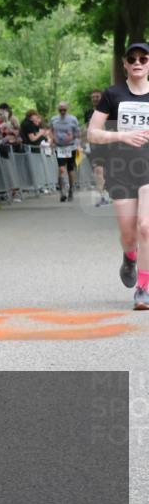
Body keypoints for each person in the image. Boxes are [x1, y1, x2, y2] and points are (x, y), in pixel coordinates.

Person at [87, 42, 149, 310]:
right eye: (132, 58)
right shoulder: (113, 95)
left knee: (146, 227)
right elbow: (93, 133)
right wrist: (123, 135)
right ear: (124, 64)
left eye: (143, 58)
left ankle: (143, 288)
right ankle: (130, 256)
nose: (137, 62)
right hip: (121, 169)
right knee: (128, 234)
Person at [84, 89, 112, 207]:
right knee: (98, 170)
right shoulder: (88, 112)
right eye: (93, 97)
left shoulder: (110, 110)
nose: (95, 99)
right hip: (95, 144)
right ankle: (103, 196)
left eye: (97, 96)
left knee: (110, 171)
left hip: (109, 143)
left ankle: (112, 193)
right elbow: (87, 128)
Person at [50, 100, 82, 202]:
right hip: (59, 147)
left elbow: (78, 133)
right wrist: (52, 140)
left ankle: (71, 190)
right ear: (58, 109)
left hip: (71, 147)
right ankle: (62, 192)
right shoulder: (54, 119)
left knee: (70, 170)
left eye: (64, 109)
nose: (62, 111)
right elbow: (50, 131)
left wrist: (77, 143)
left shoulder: (73, 119)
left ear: (67, 109)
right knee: (61, 169)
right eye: (60, 109)